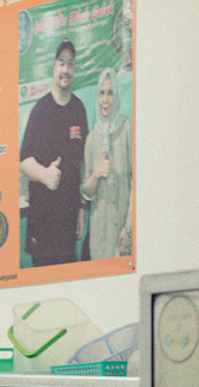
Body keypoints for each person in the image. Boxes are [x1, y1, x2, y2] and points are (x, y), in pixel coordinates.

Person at [18, 39, 90, 269]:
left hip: (68, 220)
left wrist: (81, 210)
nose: (65, 69)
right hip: (42, 221)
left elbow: (83, 163)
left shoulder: (79, 109)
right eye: (61, 63)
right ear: (54, 67)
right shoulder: (40, 110)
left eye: (70, 64)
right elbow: (23, 161)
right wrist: (44, 175)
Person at [80, 68, 132, 261]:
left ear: (116, 95)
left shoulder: (127, 128)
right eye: (102, 93)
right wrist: (96, 174)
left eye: (110, 93)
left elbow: (136, 181)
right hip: (99, 234)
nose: (105, 100)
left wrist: (129, 227)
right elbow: (86, 191)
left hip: (123, 229)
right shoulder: (91, 139)